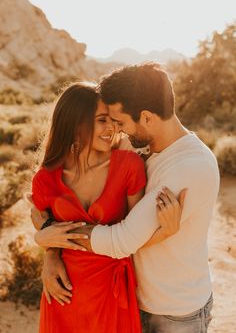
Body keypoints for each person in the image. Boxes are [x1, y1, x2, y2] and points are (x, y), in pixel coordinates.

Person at [37, 63, 219, 333]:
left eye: (120, 123)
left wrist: (54, 236)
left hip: (176, 312)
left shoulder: (190, 165)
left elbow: (121, 241)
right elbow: (45, 206)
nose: (118, 132)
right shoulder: (144, 148)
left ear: (146, 118)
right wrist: (49, 247)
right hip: (134, 300)